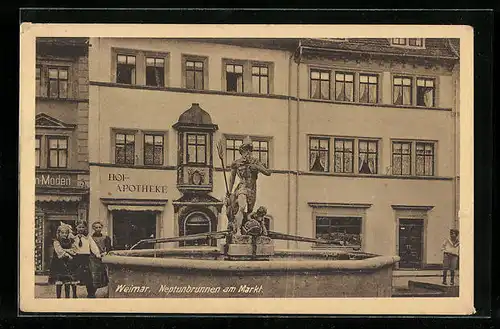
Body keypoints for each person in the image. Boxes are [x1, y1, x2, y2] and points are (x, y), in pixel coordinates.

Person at [226, 136, 271, 235]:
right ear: (241, 152)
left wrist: (257, 167)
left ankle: (244, 228)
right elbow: (232, 179)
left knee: (250, 212)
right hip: (242, 187)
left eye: (249, 151)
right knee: (241, 207)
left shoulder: (255, 162)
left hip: (252, 189)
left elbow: (268, 172)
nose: (247, 154)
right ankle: (237, 231)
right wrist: (229, 191)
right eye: (245, 151)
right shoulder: (236, 163)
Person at [48, 222, 78, 298]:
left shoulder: (71, 241)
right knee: (59, 282)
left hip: (68, 264)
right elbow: (59, 251)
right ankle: (58, 298)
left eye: (66, 233)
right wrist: (68, 253)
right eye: (62, 233)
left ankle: (67, 298)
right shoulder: (56, 241)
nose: (64, 234)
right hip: (59, 263)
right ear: (59, 233)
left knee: (67, 281)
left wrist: (66, 250)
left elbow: (74, 251)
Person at [72, 220, 102, 298]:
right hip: (76, 258)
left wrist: (97, 253)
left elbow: (93, 246)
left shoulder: (88, 237)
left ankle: (90, 293)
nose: (81, 229)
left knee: (88, 277)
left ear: (85, 228)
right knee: (75, 277)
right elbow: (70, 246)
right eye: (79, 227)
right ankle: (74, 294)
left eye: (83, 227)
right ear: (76, 227)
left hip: (86, 258)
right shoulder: (73, 237)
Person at [89, 221, 112, 294]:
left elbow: (109, 248)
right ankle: (92, 292)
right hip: (93, 259)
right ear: (93, 228)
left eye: (99, 227)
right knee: (94, 275)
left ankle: (103, 292)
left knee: (103, 274)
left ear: (101, 228)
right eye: (96, 227)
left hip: (102, 258)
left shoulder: (106, 237)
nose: (98, 229)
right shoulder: (90, 238)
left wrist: (105, 253)